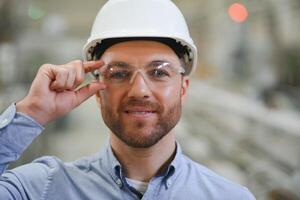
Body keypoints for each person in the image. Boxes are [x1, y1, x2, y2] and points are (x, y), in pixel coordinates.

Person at [0, 0, 256, 199]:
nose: (139, 90)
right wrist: (30, 113)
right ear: (98, 92)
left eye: (159, 72)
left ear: (183, 88)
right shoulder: (41, 189)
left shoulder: (230, 197)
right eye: (119, 73)